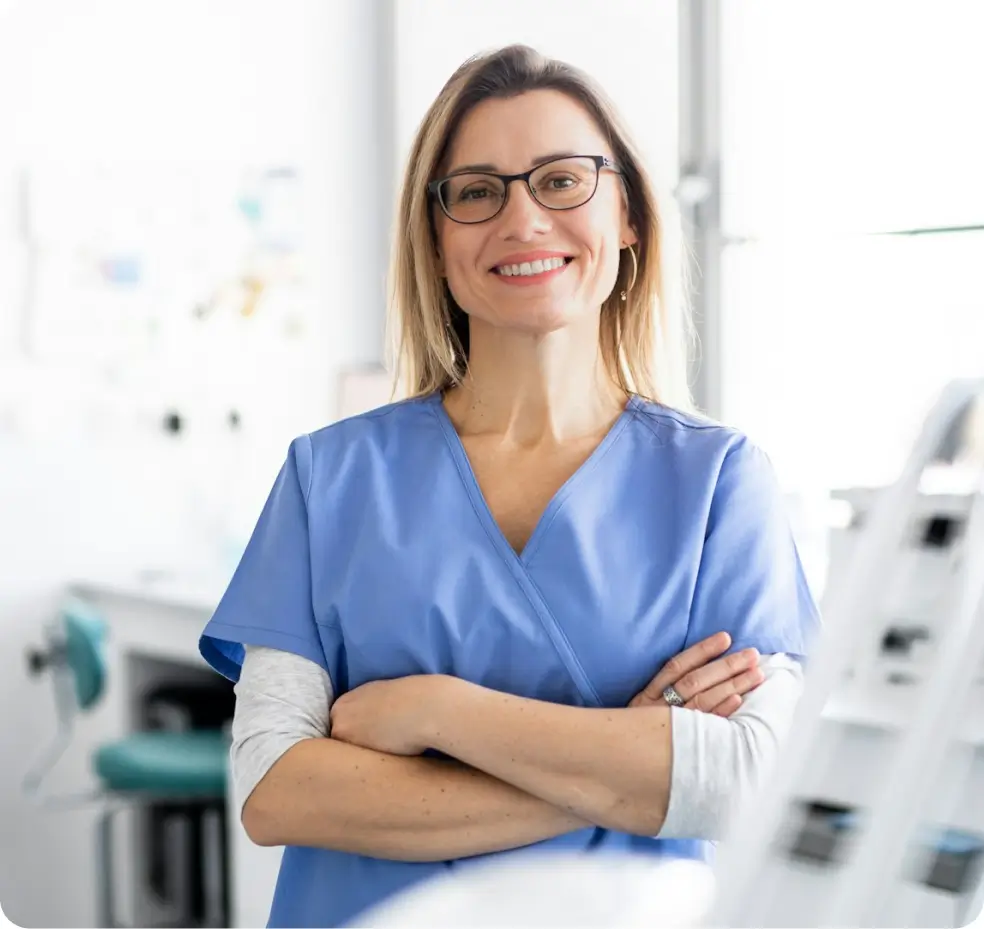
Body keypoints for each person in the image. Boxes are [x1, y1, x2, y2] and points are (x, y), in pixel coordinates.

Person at [199, 44, 820, 928]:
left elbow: (745, 780)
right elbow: (275, 787)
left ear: (631, 213)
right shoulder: (327, 477)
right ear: (437, 236)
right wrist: (626, 758)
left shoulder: (719, 481)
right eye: (478, 191)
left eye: (562, 180)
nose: (523, 220)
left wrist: (434, 710)